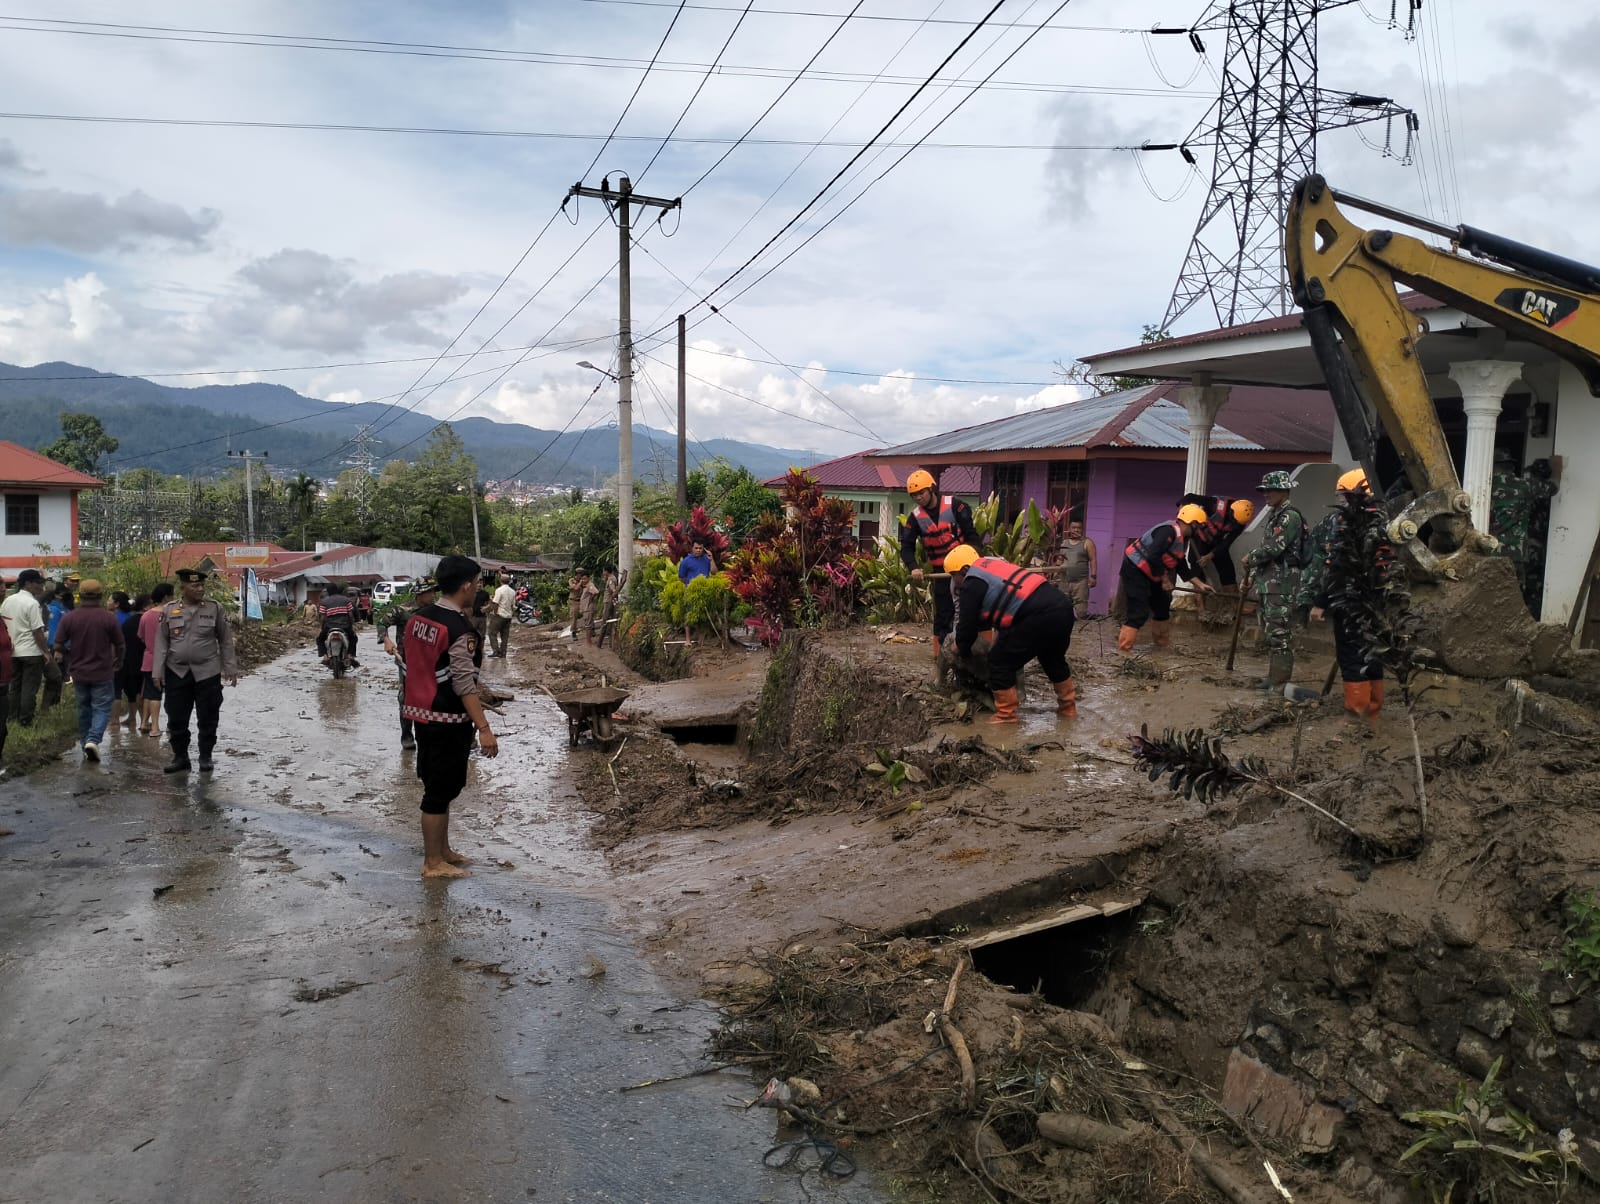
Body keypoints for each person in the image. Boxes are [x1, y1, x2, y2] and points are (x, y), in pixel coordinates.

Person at [402, 554, 499, 879]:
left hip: (420, 714)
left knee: (436, 783)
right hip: (447, 719)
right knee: (440, 789)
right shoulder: (459, 629)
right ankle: (432, 863)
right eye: (478, 583)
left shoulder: (418, 619)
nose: (479, 589)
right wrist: (484, 728)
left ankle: (442, 851)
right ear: (466, 585)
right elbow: (463, 684)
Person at [946, 544, 1078, 725]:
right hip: (1062, 609)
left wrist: (960, 646)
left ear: (965, 569)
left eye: (954, 576)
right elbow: (1009, 607)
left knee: (999, 662)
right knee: (1052, 659)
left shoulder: (971, 582)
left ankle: (1006, 716)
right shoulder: (994, 567)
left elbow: (967, 626)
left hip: (1036, 615)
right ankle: (1068, 708)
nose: (955, 582)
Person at [1308, 468, 1389, 718]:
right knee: (1373, 653)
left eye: (1344, 496)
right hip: (1377, 602)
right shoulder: (1382, 521)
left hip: (1350, 601)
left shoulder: (1350, 524)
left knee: (1351, 657)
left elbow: (1338, 565)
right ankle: (1373, 710)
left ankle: (1357, 713)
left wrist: (1321, 602)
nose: (1341, 502)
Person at [152, 567, 239, 774]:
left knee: (208, 716)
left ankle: (205, 756)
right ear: (182, 587)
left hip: (207, 672)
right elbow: (161, 643)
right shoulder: (169, 609)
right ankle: (180, 757)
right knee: (176, 717)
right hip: (177, 671)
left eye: (202, 585)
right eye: (195, 585)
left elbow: (225, 639)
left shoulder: (213, 608)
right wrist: (157, 671)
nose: (200, 589)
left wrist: (230, 667)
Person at [898, 470, 981, 662]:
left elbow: (972, 537)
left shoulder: (956, 506)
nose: (919, 497)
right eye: (915, 495)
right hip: (941, 573)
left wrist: (974, 562)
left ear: (931, 489)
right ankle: (940, 657)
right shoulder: (915, 518)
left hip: (965, 570)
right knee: (944, 614)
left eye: (922, 493)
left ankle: (974, 650)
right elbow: (907, 547)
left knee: (971, 609)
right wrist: (913, 567)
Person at [1243, 470, 1308, 690]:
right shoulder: (1276, 515)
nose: (1266, 494)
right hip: (1269, 583)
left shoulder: (1290, 516)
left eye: (1270, 490)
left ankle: (1280, 683)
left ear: (1283, 490)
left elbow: (1273, 549)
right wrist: (1252, 577)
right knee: (1272, 632)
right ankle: (1274, 679)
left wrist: (1250, 558)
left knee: (1280, 633)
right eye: (1264, 490)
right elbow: (1267, 552)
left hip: (1282, 585)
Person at [1117, 504, 1212, 652]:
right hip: (1135, 570)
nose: (1200, 531)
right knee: (1139, 612)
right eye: (1199, 527)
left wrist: (1200, 585)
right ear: (1193, 523)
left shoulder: (1182, 539)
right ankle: (1124, 650)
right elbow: (1153, 555)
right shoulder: (1168, 531)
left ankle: (1161, 647)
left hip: (1153, 573)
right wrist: (1165, 580)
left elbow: (1181, 566)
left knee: (1162, 607)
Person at [52, 579, 125, 762]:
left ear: (80, 595)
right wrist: (119, 660)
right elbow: (120, 643)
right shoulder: (109, 617)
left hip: (79, 672)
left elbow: (58, 644)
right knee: (101, 708)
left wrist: (65, 653)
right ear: (100, 595)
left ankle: (86, 744)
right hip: (102, 671)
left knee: (84, 709)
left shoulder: (70, 617)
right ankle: (93, 740)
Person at [384, 576, 438, 752]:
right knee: (406, 698)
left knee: (433, 698)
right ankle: (407, 735)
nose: (432, 596)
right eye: (429, 592)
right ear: (419, 594)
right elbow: (382, 621)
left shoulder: (437, 611)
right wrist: (386, 639)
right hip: (407, 662)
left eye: (433, 592)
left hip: (432, 663)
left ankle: (430, 735)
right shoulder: (403, 610)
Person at [2, 570, 50, 727]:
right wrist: (45, 652)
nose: (40, 586)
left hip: (13, 652)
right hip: (31, 652)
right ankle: (25, 720)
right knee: (29, 688)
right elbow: (37, 631)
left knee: (14, 687)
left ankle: (11, 717)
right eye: (38, 583)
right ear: (28, 584)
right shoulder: (32, 604)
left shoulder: (8, 601)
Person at [1183, 495, 1254, 592]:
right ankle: (1200, 603)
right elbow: (1189, 497)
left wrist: (1209, 556)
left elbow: (1227, 543)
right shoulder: (1212, 504)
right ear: (1231, 512)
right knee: (1196, 565)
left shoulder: (1239, 525)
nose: (1235, 524)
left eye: (1238, 523)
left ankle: (1230, 601)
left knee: (1227, 569)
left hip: (1217, 541)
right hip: (1199, 537)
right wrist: (1183, 512)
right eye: (1234, 521)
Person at [137, 582, 174, 736]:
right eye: (172, 595)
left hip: (149, 660)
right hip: (170, 661)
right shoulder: (172, 614)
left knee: (151, 694)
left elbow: (141, 637)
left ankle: (149, 725)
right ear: (166, 597)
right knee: (172, 695)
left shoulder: (145, 615)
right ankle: (165, 726)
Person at [114, 594, 148, 730]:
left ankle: (114, 721)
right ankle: (138, 719)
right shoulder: (138, 619)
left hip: (123, 658)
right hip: (141, 659)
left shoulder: (118, 619)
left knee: (117, 690)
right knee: (135, 691)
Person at [1057, 518, 1097, 615]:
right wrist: (1055, 574)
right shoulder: (1064, 543)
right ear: (1069, 529)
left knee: (1081, 611)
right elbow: (1059, 560)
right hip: (1064, 581)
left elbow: (1093, 560)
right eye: (1073, 528)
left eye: (1078, 528)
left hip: (1080, 582)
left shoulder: (1087, 542)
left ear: (1082, 529)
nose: (1076, 530)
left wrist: (1093, 577)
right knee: (1063, 609)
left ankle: (1082, 628)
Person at [316, 583, 359, 668]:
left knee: (320, 639)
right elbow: (350, 615)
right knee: (353, 638)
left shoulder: (324, 602)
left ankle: (325, 656)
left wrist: (322, 627)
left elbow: (323, 617)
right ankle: (350, 655)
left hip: (329, 627)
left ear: (328, 592)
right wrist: (351, 624)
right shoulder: (346, 600)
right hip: (345, 626)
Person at [487, 572, 515, 658]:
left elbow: (495, 603)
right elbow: (512, 605)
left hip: (500, 615)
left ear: (500, 581)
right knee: (505, 636)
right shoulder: (513, 591)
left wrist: (494, 613)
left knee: (491, 632)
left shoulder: (499, 590)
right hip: (508, 616)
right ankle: (503, 653)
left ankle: (496, 650)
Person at [596, 567, 620, 647]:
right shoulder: (611, 578)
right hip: (610, 600)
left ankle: (605, 635)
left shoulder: (610, 579)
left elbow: (613, 589)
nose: (603, 572)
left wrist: (614, 594)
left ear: (606, 571)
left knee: (605, 618)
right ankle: (608, 634)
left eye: (603, 571)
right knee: (610, 617)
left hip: (608, 601)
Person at [576, 570, 599, 645]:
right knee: (588, 625)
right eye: (582, 579)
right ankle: (589, 642)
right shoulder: (586, 586)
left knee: (588, 626)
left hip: (588, 609)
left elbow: (596, 592)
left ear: (588, 578)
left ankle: (589, 643)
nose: (583, 580)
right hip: (586, 608)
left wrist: (591, 598)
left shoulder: (590, 585)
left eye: (585, 579)